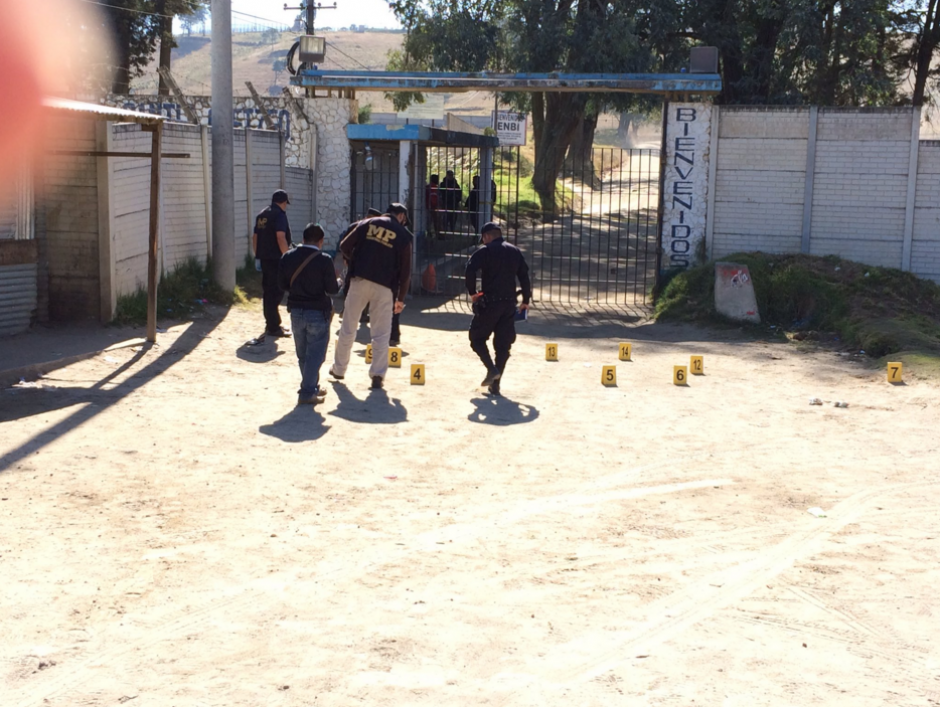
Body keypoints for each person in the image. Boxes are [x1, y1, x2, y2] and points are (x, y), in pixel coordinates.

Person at [330, 203, 413, 390]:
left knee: (348, 326)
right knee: (381, 333)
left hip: (360, 280)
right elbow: (406, 272)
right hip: (385, 288)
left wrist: (355, 259)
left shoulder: (368, 223)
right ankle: (377, 375)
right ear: (400, 216)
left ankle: (339, 369)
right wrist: (400, 298)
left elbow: (344, 245)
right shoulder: (403, 235)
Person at [465, 221, 531, 396]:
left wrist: (473, 293)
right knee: (503, 346)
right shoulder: (514, 251)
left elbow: (470, 270)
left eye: (484, 238)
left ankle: (491, 369)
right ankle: (496, 385)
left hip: (490, 303)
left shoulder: (485, 251)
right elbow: (524, 275)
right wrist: (525, 300)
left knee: (476, 338)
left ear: (487, 236)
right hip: (509, 304)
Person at [277, 224, 340, 405]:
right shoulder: (325, 260)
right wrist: (339, 281)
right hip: (318, 312)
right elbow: (332, 289)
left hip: (296, 311)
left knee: (303, 354)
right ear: (321, 242)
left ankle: (311, 386)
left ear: (303, 239)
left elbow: (282, 285)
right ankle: (307, 391)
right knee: (316, 354)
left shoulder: (287, 257)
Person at [253, 189, 293, 339]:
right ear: (283, 202)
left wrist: (257, 255)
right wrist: (288, 256)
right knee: (276, 292)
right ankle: (273, 326)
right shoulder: (279, 215)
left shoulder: (262, 215)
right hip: (277, 260)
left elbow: (255, 237)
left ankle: (271, 322)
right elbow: (280, 237)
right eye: (285, 204)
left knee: (268, 291)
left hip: (264, 259)